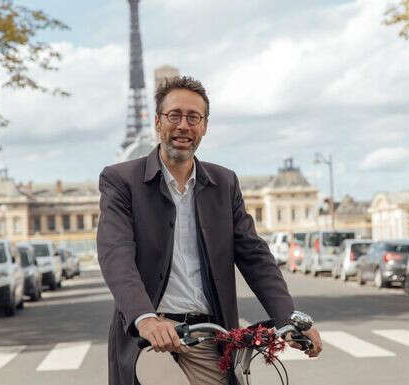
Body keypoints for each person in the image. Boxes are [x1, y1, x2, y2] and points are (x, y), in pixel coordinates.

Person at [97, 75, 322, 385]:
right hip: (150, 340)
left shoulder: (224, 183)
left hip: (211, 338)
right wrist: (145, 317)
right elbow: (116, 254)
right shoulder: (122, 180)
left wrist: (289, 318)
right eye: (174, 115)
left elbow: (256, 257)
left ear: (204, 126)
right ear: (158, 122)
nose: (183, 125)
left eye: (194, 117)